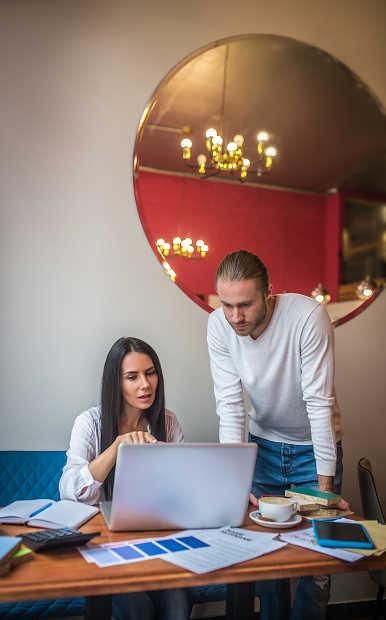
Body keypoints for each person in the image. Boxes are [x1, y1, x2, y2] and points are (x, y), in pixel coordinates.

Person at [207, 249, 350, 620]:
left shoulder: (307, 317)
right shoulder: (219, 325)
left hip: (312, 452)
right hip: (263, 449)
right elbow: (230, 408)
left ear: (269, 292)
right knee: (261, 557)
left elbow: (319, 404)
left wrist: (326, 493)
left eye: (245, 305)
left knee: (316, 567)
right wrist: (232, 485)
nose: (235, 317)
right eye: (226, 305)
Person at [60, 337, 190, 620]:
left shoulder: (168, 422)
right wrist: (117, 447)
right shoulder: (89, 423)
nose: (145, 384)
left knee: (178, 608)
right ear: (115, 383)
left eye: (150, 373)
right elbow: (70, 492)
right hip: (102, 546)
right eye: (132, 377)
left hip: (153, 542)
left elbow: (181, 493)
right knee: (138, 609)